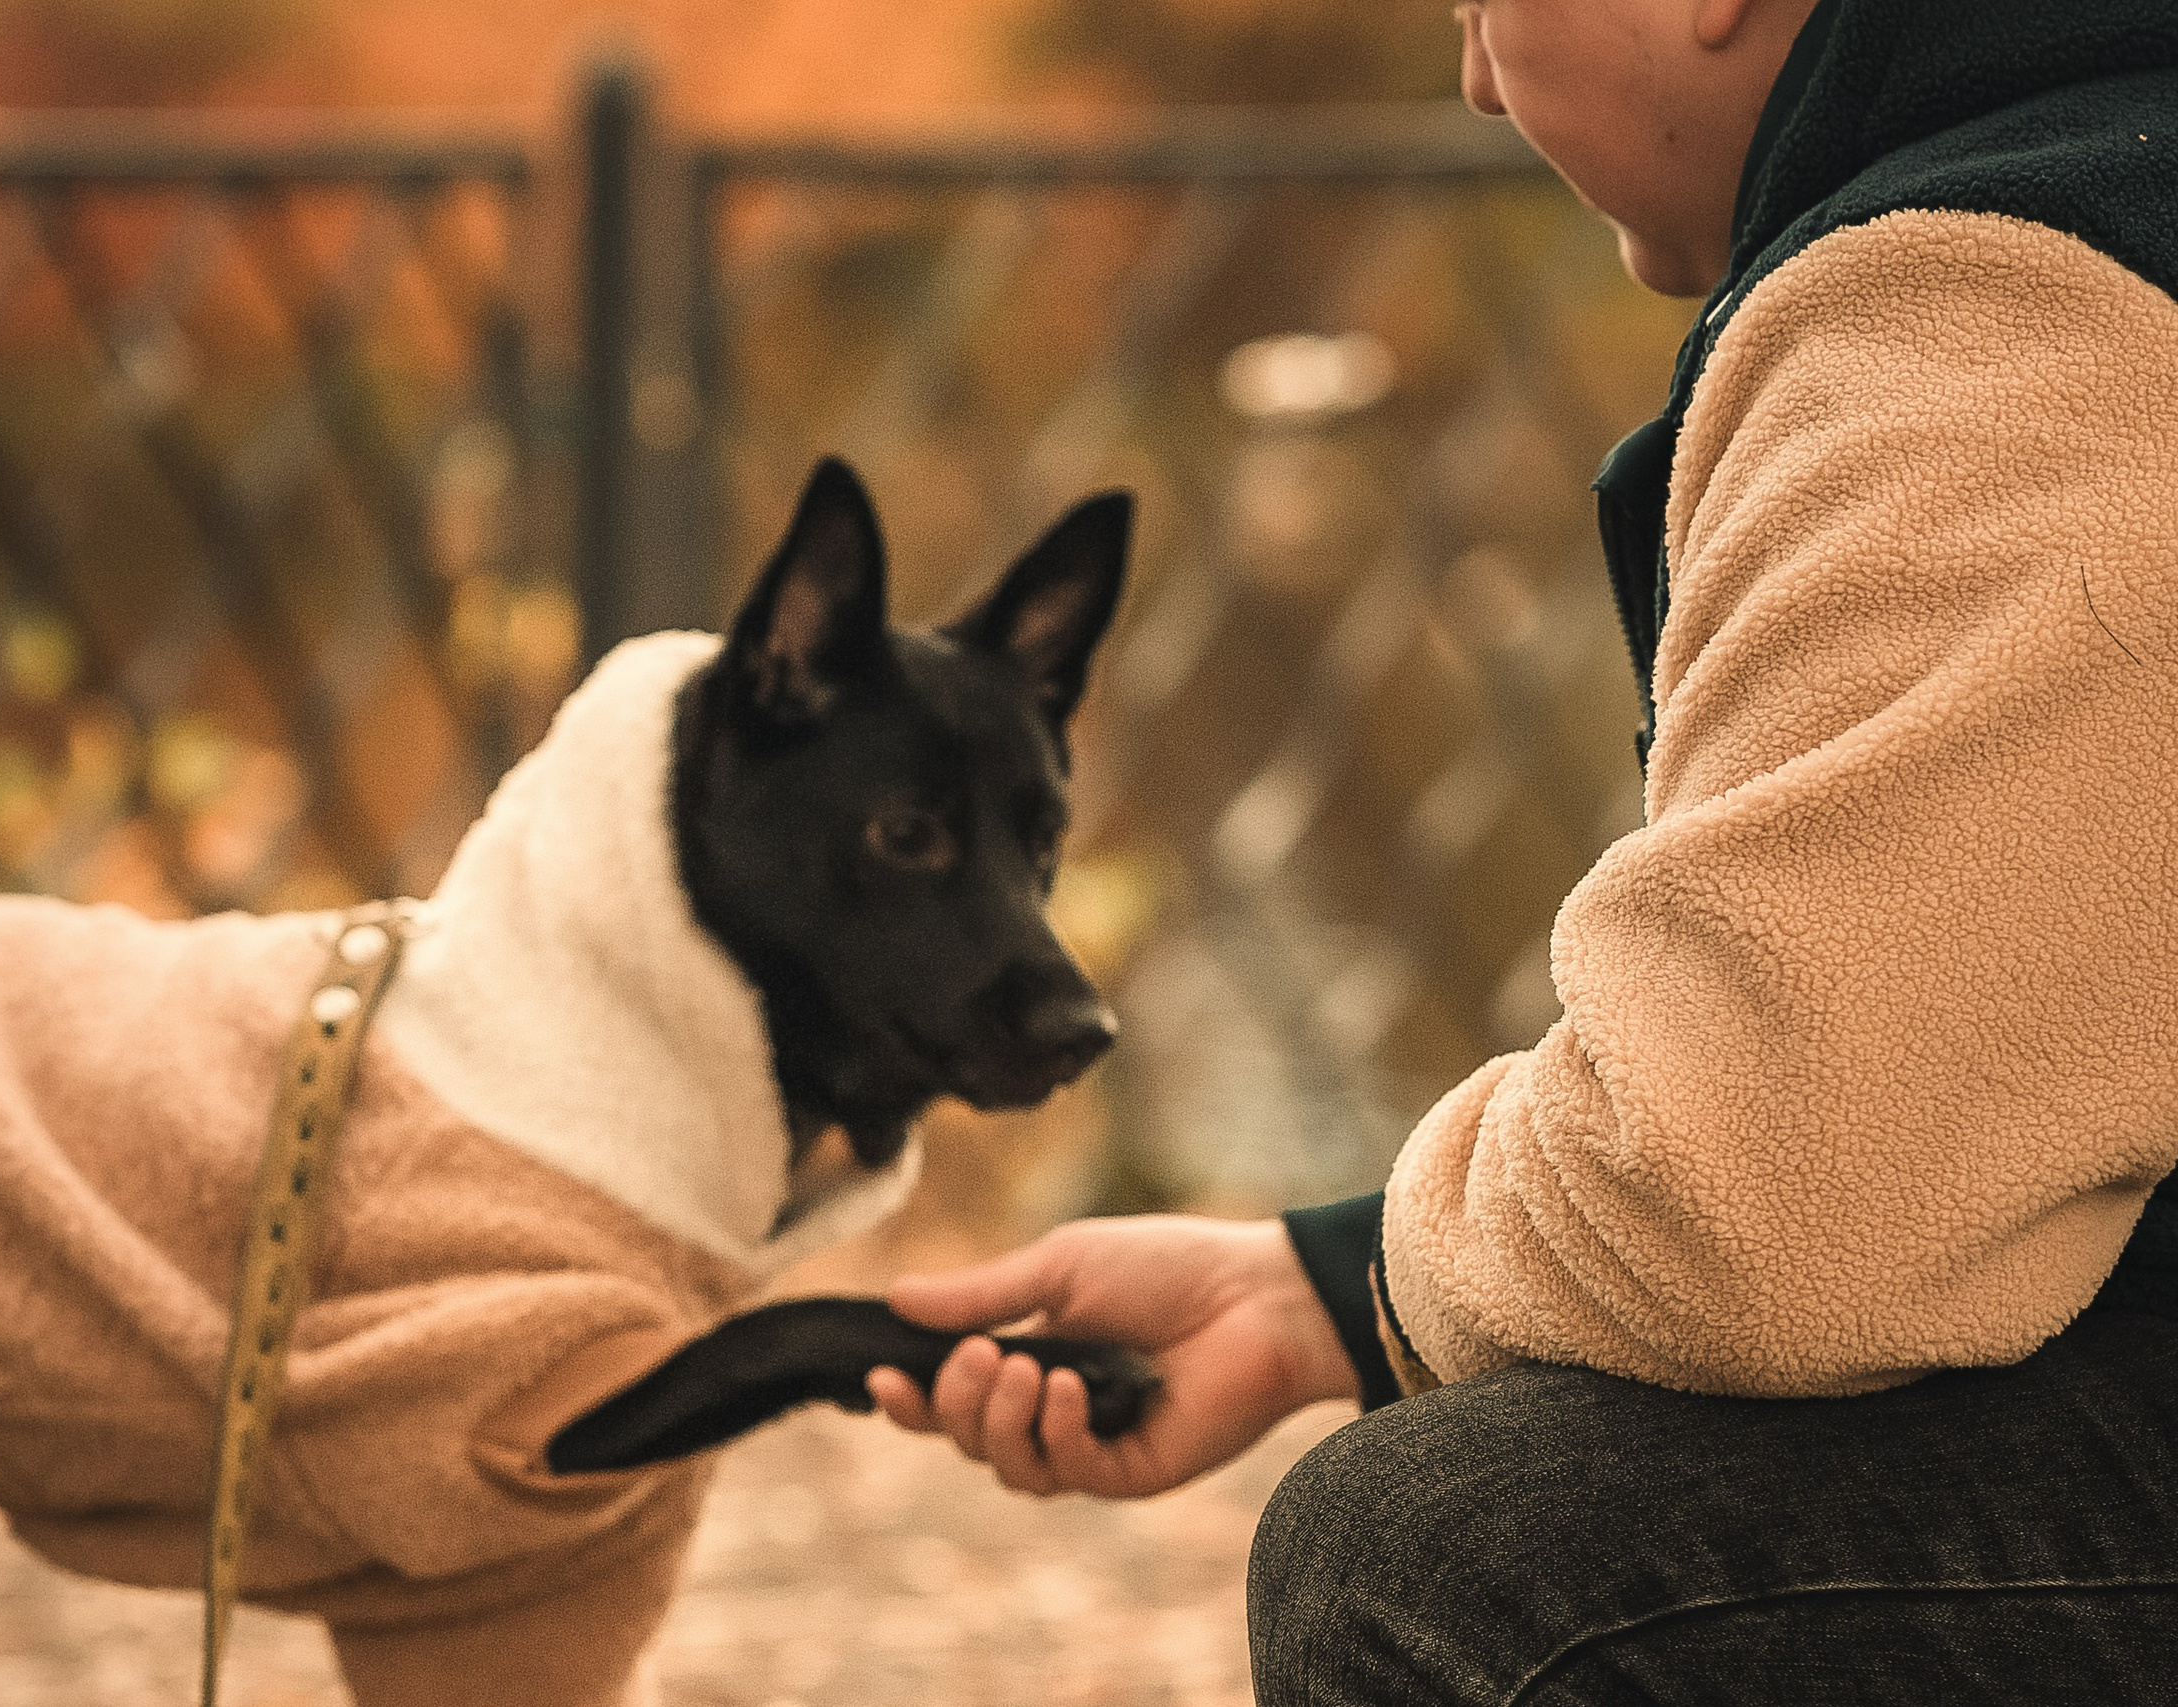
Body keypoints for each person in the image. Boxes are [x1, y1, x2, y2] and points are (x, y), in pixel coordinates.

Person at [865, 0, 2178, 1698]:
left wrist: (1398, 1281)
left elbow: (1759, 1199)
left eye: (1485, 3)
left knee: (1466, 1558)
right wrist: (1322, 1292)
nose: (1476, 77)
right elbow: (1962, 1091)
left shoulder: (2002, 293)